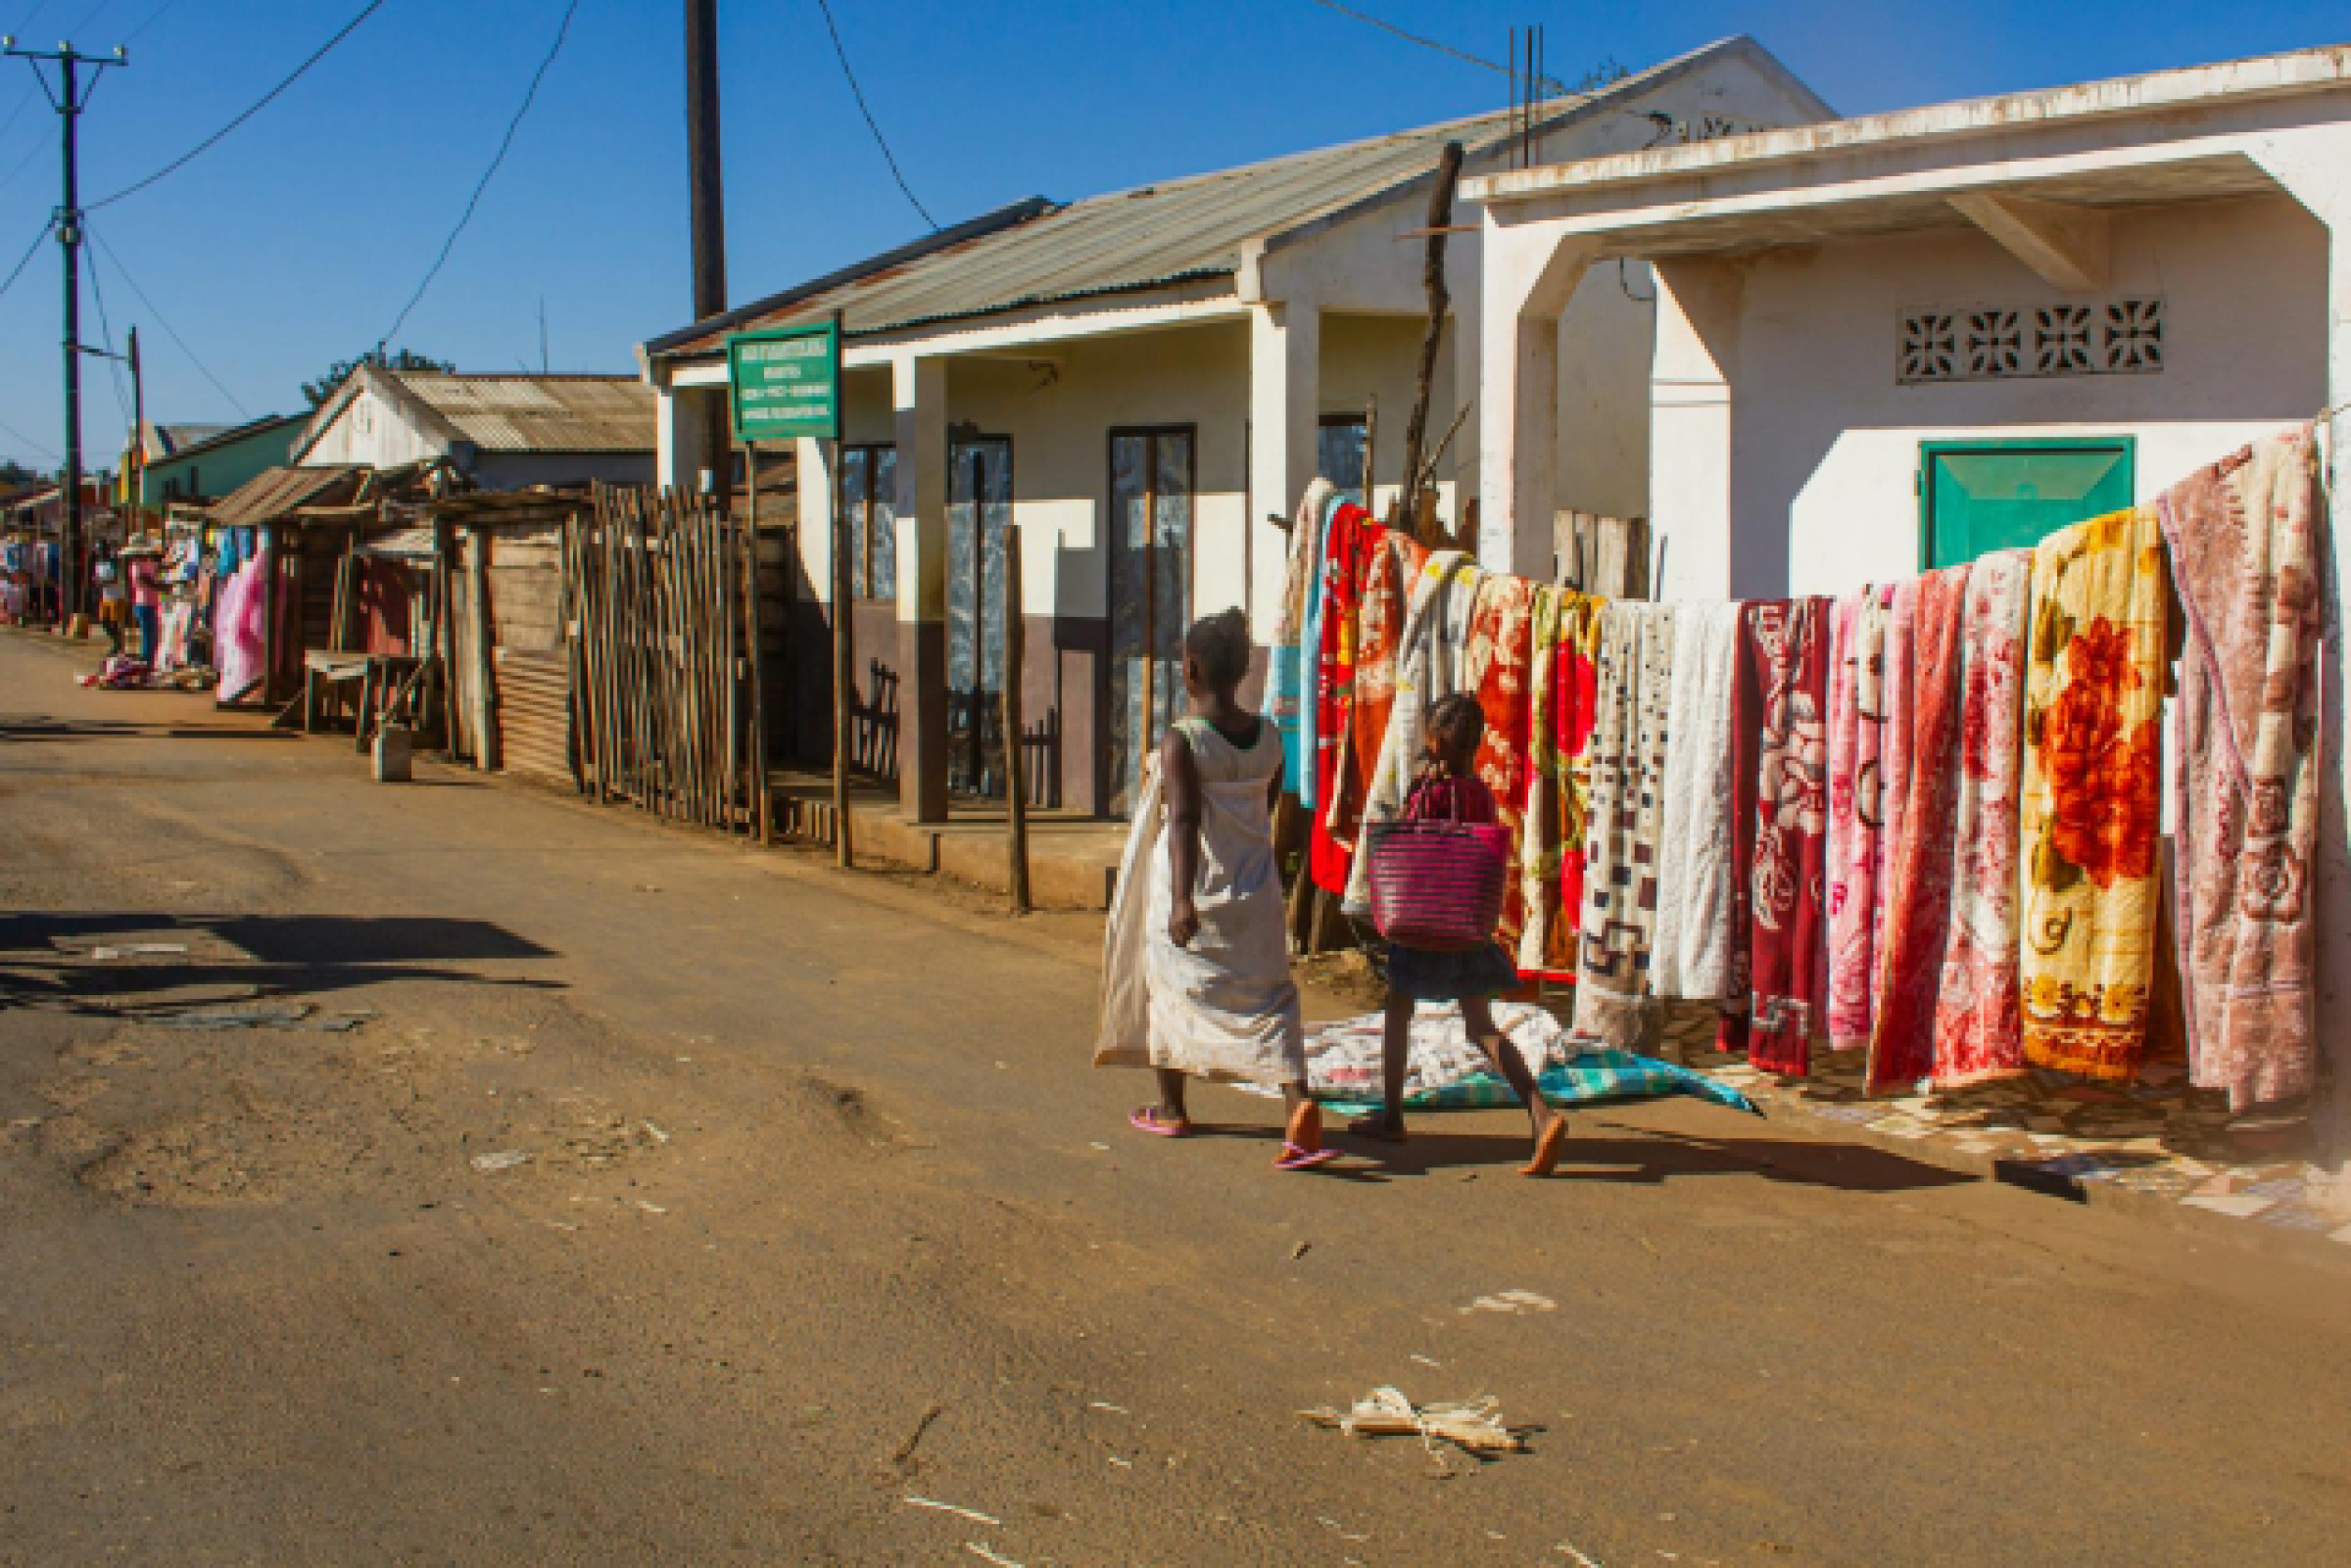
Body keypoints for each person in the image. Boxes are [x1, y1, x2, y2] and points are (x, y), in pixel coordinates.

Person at [1125, 607, 1336, 1170]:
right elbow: (1265, 810)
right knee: (1272, 1001)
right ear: (1242, 672)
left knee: (1171, 991)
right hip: (1257, 891)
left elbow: (1185, 820)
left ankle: (1171, 1107)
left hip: (1198, 892)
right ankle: (1299, 1105)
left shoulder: (1181, 742)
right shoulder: (1269, 736)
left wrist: (1180, 900)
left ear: (1189, 668)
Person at [1352, 691, 1572, 1176]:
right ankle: (1541, 1112)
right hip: (1466, 927)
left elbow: (1410, 843)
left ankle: (1392, 1115)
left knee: (1397, 1012)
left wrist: (1419, 792)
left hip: (1420, 925)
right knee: (1482, 1027)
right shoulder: (1481, 794)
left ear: (1434, 740)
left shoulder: (1424, 791)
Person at [127, 543, 163, 663]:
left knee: (153, 633)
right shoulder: (136, 566)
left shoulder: (148, 563)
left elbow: (161, 567)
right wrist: (164, 587)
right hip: (143, 603)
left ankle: (149, 659)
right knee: (148, 634)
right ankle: (146, 661)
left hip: (151, 602)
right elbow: (146, 581)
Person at [91, 543, 125, 657]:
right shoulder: (97, 564)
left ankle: (118, 645)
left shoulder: (113, 563)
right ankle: (116, 641)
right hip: (105, 596)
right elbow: (97, 578)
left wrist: (103, 582)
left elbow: (116, 579)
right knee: (103, 621)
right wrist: (97, 582)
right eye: (98, 551)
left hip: (115, 596)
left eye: (101, 550)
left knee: (114, 622)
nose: (100, 553)